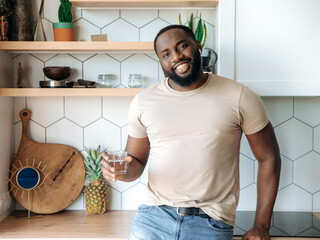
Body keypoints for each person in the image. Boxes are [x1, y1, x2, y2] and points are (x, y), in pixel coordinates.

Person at [101, 24, 281, 240]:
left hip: (210, 223)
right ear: (161, 61)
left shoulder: (240, 96)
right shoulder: (144, 101)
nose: (176, 57)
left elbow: (269, 158)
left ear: (197, 45)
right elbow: (135, 164)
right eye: (166, 54)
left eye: (182, 46)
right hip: (152, 220)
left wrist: (262, 226)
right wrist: (119, 171)